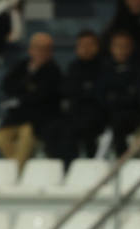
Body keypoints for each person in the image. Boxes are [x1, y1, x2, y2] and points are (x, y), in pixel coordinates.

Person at [0, 31, 60, 169]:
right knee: (0, 137)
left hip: (37, 121)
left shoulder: (53, 71)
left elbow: (41, 96)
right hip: (15, 118)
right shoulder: (22, 66)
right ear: (31, 49)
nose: (41, 52)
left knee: (26, 136)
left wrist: (22, 95)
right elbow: (6, 85)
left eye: (45, 49)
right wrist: (26, 92)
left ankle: (17, 172)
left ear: (50, 52)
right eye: (38, 48)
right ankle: (18, 168)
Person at [47, 29, 105, 167]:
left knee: (78, 130)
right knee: (53, 129)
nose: (85, 48)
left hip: (97, 114)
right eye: (81, 45)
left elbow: (98, 93)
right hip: (74, 112)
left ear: (96, 47)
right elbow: (66, 90)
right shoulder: (74, 67)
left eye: (89, 45)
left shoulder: (103, 66)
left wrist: (83, 92)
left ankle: (82, 167)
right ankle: (61, 168)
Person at [99, 29, 140, 157]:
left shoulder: (138, 69)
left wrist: (114, 98)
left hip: (131, 115)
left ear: (131, 48)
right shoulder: (104, 68)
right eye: (118, 46)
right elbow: (100, 95)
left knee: (118, 122)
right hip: (106, 113)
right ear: (111, 48)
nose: (121, 50)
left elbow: (135, 97)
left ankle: (123, 161)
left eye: (125, 46)